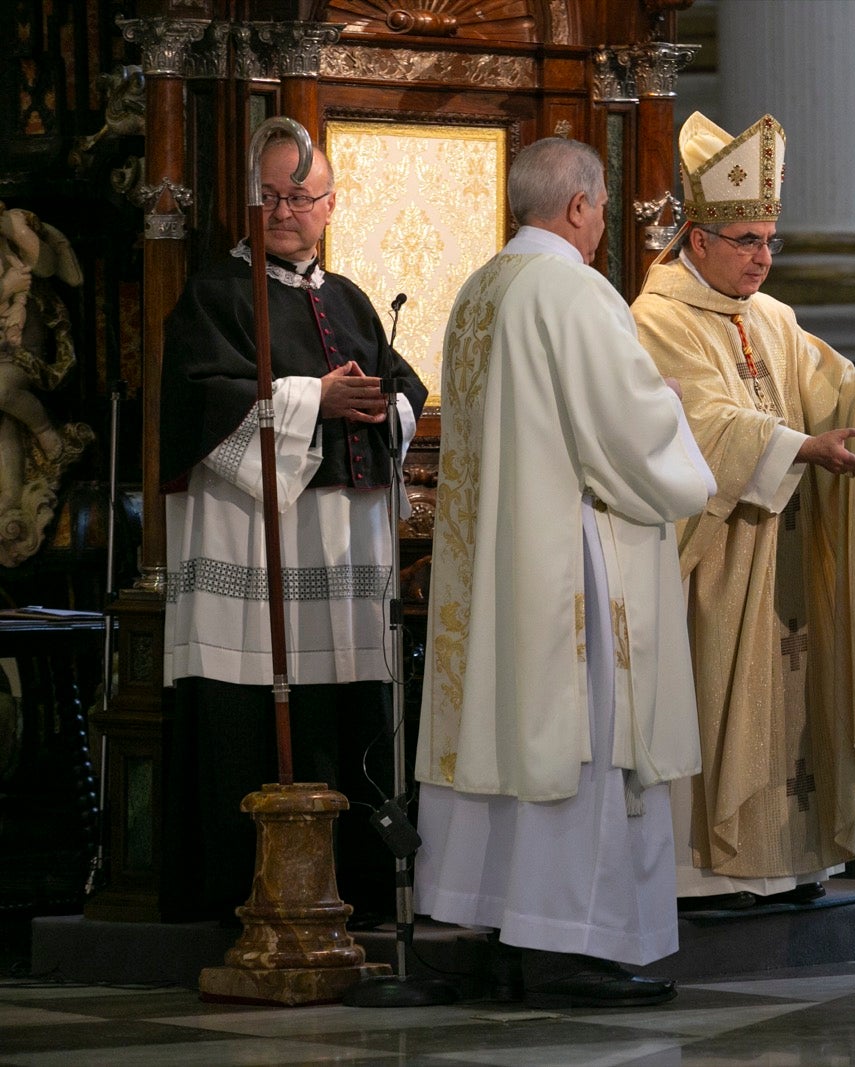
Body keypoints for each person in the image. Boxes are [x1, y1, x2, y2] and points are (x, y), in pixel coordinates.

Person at [413, 137, 715, 1008]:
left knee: (511, 738)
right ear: (579, 206)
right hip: (567, 569)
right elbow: (629, 428)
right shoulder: (571, 290)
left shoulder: (479, 290)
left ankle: (509, 930)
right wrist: (685, 444)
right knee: (576, 746)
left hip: (493, 564)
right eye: (601, 207)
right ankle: (571, 941)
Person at [630, 112, 855, 909]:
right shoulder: (656, 319)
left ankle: (794, 863)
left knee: (796, 712)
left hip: (787, 556)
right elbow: (699, 422)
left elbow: (830, 382)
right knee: (724, 708)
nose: (763, 257)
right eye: (746, 240)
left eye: (771, 240)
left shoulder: (770, 317)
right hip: (723, 560)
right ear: (697, 240)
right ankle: (711, 870)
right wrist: (797, 449)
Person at [160, 133, 427, 924]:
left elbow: (403, 384)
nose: (285, 211)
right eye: (272, 196)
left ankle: (360, 892)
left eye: (301, 198)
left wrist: (381, 404)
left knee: (347, 705)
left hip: (342, 551)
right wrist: (317, 398)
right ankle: (246, 896)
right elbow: (201, 398)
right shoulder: (215, 293)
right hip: (256, 539)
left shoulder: (348, 298)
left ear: (330, 208)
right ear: (252, 201)